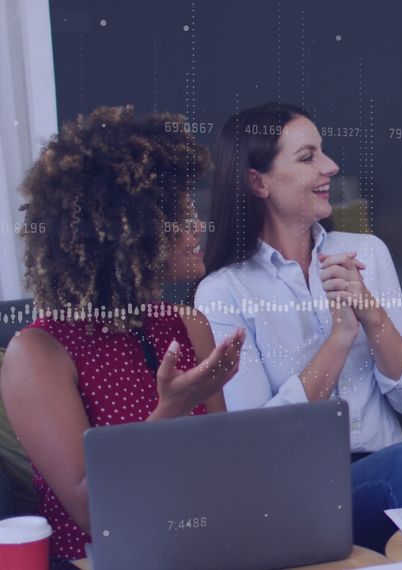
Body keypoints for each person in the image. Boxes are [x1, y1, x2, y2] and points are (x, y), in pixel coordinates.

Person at [0, 106, 245, 561]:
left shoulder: (187, 323)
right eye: (180, 216)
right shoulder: (38, 352)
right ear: (125, 233)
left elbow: (223, 473)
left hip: (207, 545)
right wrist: (173, 406)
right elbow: (94, 509)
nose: (198, 227)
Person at [195, 103, 402, 552]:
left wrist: (371, 311)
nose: (330, 166)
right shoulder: (223, 292)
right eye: (308, 157)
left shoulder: (367, 253)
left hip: (386, 469)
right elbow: (258, 443)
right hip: (292, 498)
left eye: (322, 152)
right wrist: (340, 338)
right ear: (258, 182)